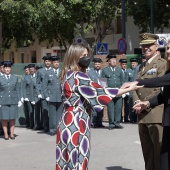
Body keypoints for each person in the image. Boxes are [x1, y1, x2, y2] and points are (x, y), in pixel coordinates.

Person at [56, 43, 142, 170]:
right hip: (78, 121)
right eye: (84, 55)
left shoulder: (66, 75)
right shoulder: (79, 76)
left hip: (65, 121)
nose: (87, 58)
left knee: (65, 162)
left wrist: (120, 87)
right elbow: (100, 93)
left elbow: (97, 90)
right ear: (75, 57)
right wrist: (129, 88)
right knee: (79, 160)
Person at [132, 41, 170, 170]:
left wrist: (145, 102)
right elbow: (135, 88)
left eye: (149, 45)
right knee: (148, 153)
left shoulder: (162, 64)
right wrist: (138, 102)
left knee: (160, 153)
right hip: (142, 113)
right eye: (143, 46)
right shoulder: (142, 66)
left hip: (156, 115)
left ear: (156, 47)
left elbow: (160, 86)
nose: (145, 48)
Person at [0, 61, 22, 140]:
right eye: (6, 68)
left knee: (12, 118)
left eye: (8, 68)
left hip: (13, 100)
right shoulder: (0, 78)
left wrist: (19, 99)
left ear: (10, 69)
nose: (7, 69)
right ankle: (6, 134)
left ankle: (12, 134)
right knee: (4, 118)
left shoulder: (14, 77)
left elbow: (17, 89)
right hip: (3, 100)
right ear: (4, 68)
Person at [101, 54, 124, 129]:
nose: (114, 61)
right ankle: (111, 123)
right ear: (109, 61)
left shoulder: (119, 69)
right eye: (112, 60)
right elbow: (102, 82)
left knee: (118, 107)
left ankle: (117, 123)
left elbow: (122, 80)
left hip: (118, 92)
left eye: (115, 60)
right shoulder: (105, 70)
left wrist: (123, 91)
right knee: (110, 108)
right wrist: (104, 91)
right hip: (109, 92)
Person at [42, 56, 62, 136]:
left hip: (60, 96)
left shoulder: (62, 72)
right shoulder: (48, 73)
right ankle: (52, 129)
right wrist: (46, 95)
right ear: (52, 63)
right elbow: (44, 85)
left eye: (57, 62)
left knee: (59, 114)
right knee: (52, 114)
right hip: (52, 96)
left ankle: (58, 128)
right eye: (54, 62)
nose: (56, 63)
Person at [88, 57, 105, 128]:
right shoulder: (90, 72)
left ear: (100, 64)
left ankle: (100, 122)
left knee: (101, 108)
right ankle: (94, 122)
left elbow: (104, 84)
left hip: (101, 93)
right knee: (94, 108)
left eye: (98, 64)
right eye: (96, 64)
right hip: (93, 92)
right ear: (94, 65)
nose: (97, 65)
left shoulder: (103, 72)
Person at [36, 56, 52, 132]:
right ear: (44, 62)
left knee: (52, 111)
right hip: (43, 94)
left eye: (49, 61)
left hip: (52, 93)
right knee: (45, 111)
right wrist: (39, 92)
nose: (48, 62)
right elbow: (37, 83)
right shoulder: (40, 71)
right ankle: (46, 126)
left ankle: (53, 126)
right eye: (46, 61)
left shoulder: (53, 70)